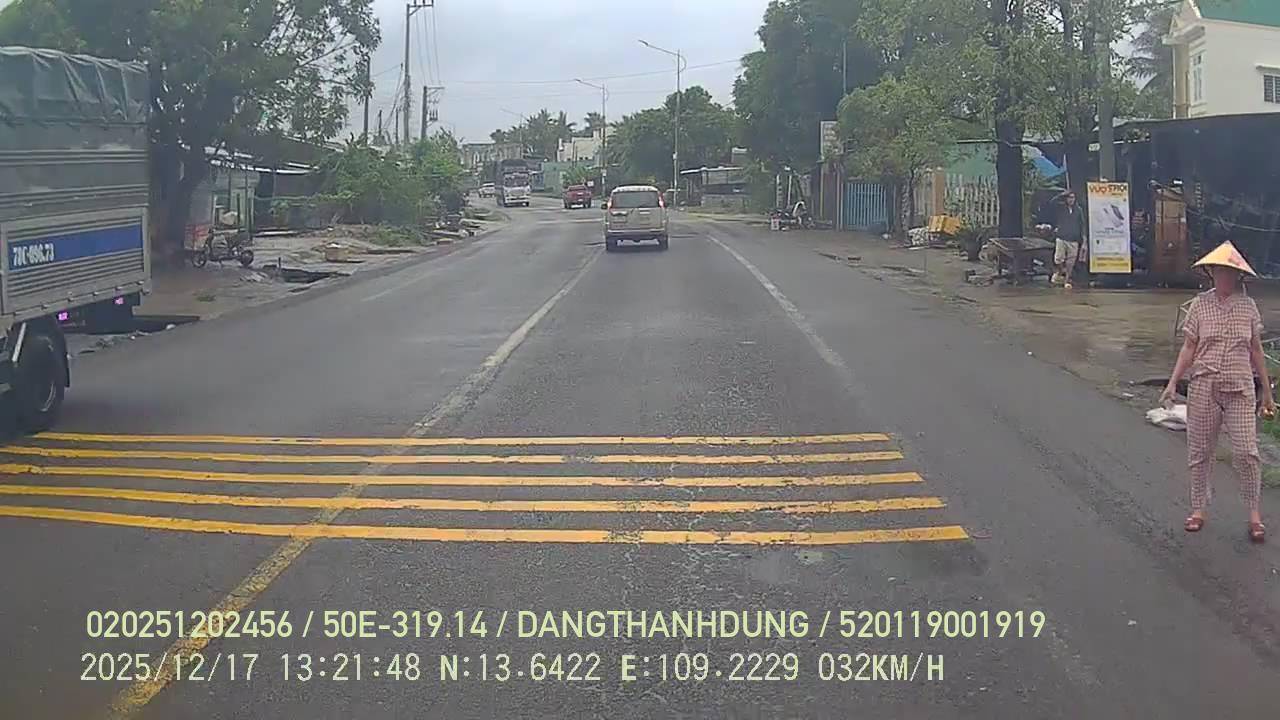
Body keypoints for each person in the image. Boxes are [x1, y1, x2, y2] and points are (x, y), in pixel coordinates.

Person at [1161, 240, 1275, 542]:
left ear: (1238, 276)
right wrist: (1172, 382)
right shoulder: (1200, 305)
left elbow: (1256, 350)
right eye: (1219, 272)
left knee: (1247, 452)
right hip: (1204, 385)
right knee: (1200, 452)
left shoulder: (1248, 307)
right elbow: (1189, 347)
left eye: (1230, 273)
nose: (1225, 277)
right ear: (1211, 273)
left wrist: (1267, 392)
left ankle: (1254, 515)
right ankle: (1198, 509)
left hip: (1240, 388)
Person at [1052, 191, 1087, 287]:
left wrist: (1084, 241)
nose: (1071, 200)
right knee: (1058, 259)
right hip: (1062, 237)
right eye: (1069, 197)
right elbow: (1052, 202)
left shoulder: (1078, 210)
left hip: (1073, 239)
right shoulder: (1060, 207)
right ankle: (1061, 271)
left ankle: (1066, 281)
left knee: (1071, 262)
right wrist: (1061, 195)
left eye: (1072, 198)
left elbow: (1082, 225)